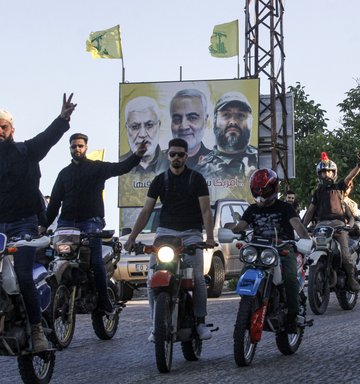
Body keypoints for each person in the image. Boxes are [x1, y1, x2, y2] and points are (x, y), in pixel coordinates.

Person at [0, 93, 76, 353]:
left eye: (3, 126)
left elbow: (46, 139)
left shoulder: (25, 151)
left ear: (12, 129)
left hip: (24, 225)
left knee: (22, 274)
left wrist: (62, 118)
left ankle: (35, 330)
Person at [41, 132, 149, 315]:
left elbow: (121, 167)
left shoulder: (97, 168)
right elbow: (54, 204)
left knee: (95, 261)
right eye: (74, 146)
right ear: (69, 149)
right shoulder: (64, 174)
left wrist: (137, 155)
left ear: (86, 147)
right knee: (56, 256)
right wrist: (43, 226)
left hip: (91, 222)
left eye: (80, 146)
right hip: (67, 223)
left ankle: (104, 302)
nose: (77, 149)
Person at [124, 138, 215, 341]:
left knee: (198, 278)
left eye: (180, 154)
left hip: (191, 233)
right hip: (164, 233)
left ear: (186, 156)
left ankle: (200, 322)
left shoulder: (196, 179)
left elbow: (206, 210)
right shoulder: (159, 180)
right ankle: (155, 325)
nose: (176, 158)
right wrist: (131, 238)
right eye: (173, 154)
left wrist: (208, 237)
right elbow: (146, 210)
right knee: (150, 279)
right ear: (168, 155)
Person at [229, 169, 310, 333]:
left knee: (289, 278)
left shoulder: (286, 208)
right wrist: (231, 231)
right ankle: (250, 304)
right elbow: (240, 227)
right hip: (260, 249)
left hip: (283, 248)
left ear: (274, 188)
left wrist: (306, 239)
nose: (261, 193)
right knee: (245, 273)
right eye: (257, 189)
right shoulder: (252, 209)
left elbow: (297, 225)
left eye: (264, 189)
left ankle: (293, 317)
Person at [302, 151, 360, 292]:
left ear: (334, 173)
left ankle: (351, 279)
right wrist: (302, 227)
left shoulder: (339, 188)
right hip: (321, 227)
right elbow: (310, 212)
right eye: (323, 172)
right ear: (319, 174)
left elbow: (350, 176)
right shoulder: (318, 192)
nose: (326, 174)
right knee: (311, 251)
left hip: (339, 227)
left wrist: (359, 164)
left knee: (345, 255)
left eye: (329, 172)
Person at [198, 91, 258, 180]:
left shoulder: (260, 160)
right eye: (226, 115)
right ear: (214, 121)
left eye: (241, 115)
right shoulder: (201, 168)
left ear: (251, 122)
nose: (233, 121)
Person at [121, 96, 167, 174]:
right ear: (127, 128)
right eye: (135, 127)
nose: (142, 134)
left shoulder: (172, 164)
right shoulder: (120, 165)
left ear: (159, 125)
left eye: (149, 125)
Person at [169, 89, 211, 170]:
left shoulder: (217, 164)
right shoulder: (159, 162)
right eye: (177, 119)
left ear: (205, 121)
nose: (184, 127)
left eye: (192, 118)